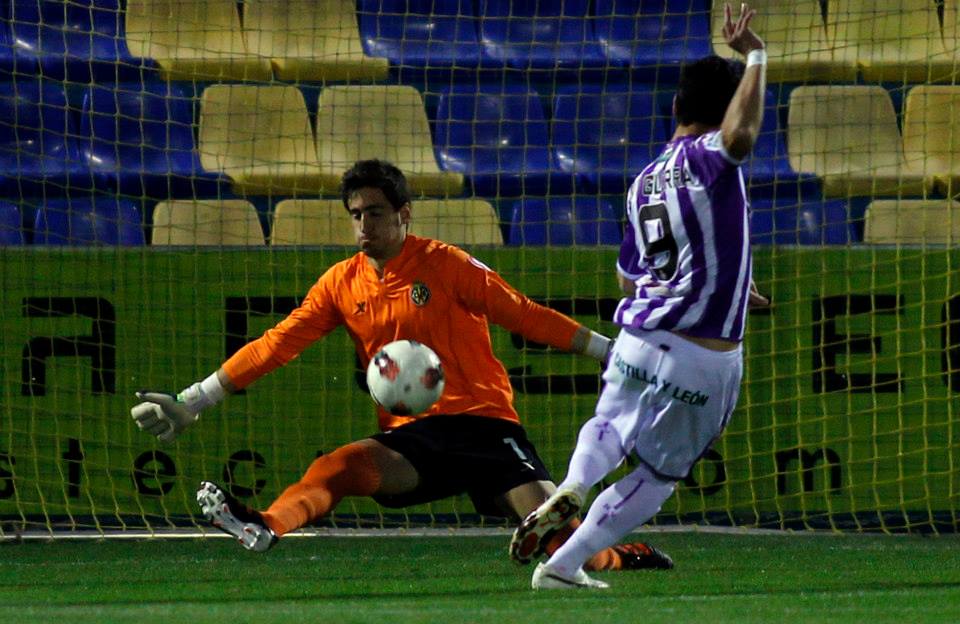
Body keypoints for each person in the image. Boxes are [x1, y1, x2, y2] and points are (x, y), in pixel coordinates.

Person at [130, 158, 673, 573]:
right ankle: (268, 525)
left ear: (404, 214)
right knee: (337, 467)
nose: (364, 224)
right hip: (413, 437)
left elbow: (524, 315)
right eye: (356, 215)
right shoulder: (340, 284)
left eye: (375, 212)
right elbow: (278, 343)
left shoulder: (446, 264)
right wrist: (194, 400)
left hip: (486, 426)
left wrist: (613, 353)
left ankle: (624, 556)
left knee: (566, 544)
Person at [509, 3, 770, 589]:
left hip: (638, 338)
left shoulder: (644, 180)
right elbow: (742, 135)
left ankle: (573, 484)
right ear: (721, 108)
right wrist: (756, 55)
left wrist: (728, 277)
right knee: (655, 475)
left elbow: (631, 277)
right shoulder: (710, 159)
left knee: (609, 422)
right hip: (703, 354)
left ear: (675, 107)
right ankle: (565, 563)